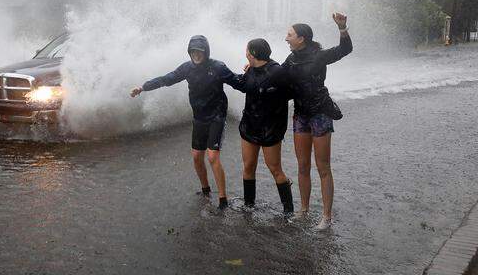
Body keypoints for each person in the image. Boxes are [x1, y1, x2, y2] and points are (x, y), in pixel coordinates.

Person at [130, 35, 238, 210]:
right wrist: (143, 87)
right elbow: (166, 79)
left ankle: (223, 199)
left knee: (212, 157)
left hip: (217, 116)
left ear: (206, 52)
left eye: (200, 52)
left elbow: (237, 81)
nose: (196, 55)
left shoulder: (217, 67)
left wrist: (254, 73)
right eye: (193, 52)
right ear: (189, 52)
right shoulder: (187, 68)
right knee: (197, 157)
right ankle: (205, 190)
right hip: (199, 117)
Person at [282, 13, 352, 229]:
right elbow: (276, 75)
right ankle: (303, 210)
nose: (286, 38)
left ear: (301, 38)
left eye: (290, 35)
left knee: (323, 166)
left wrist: (342, 28)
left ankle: (326, 217)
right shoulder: (291, 58)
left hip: (320, 113)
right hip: (301, 114)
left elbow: (344, 50)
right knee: (303, 166)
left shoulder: (319, 55)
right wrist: (254, 68)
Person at [230, 38, 294, 214]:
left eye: (247, 50)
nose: (246, 53)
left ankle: (288, 210)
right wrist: (224, 76)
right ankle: (249, 205)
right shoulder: (251, 70)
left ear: (253, 53)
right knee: (249, 166)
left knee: (275, 168)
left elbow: (291, 92)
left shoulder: (277, 72)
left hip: (270, 129)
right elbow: (244, 86)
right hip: (249, 125)